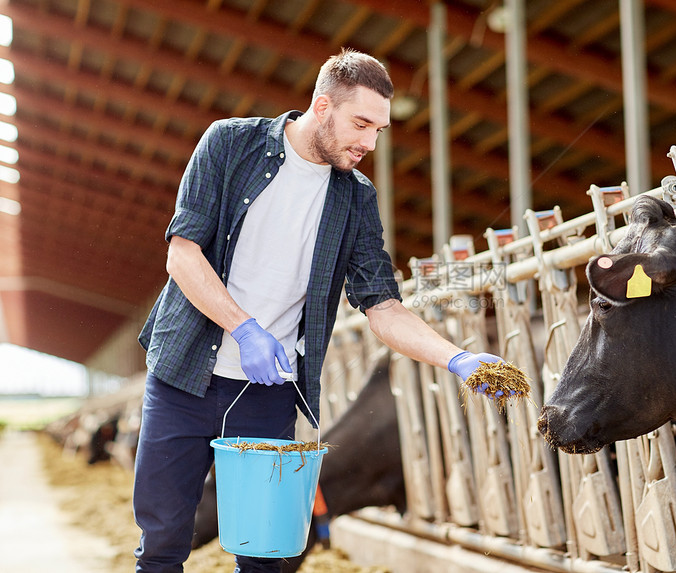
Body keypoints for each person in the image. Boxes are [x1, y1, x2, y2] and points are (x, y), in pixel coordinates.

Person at [133, 48, 504, 573]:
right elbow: (182, 254)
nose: (368, 143)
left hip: (266, 394)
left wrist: (456, 358)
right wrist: (245, 329)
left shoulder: (355, 200)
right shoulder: (230, 144)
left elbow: (383, 305)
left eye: (379, 131)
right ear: (322, 105)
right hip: (183, 376)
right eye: (361, 124)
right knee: (164, 539)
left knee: (266, 552)